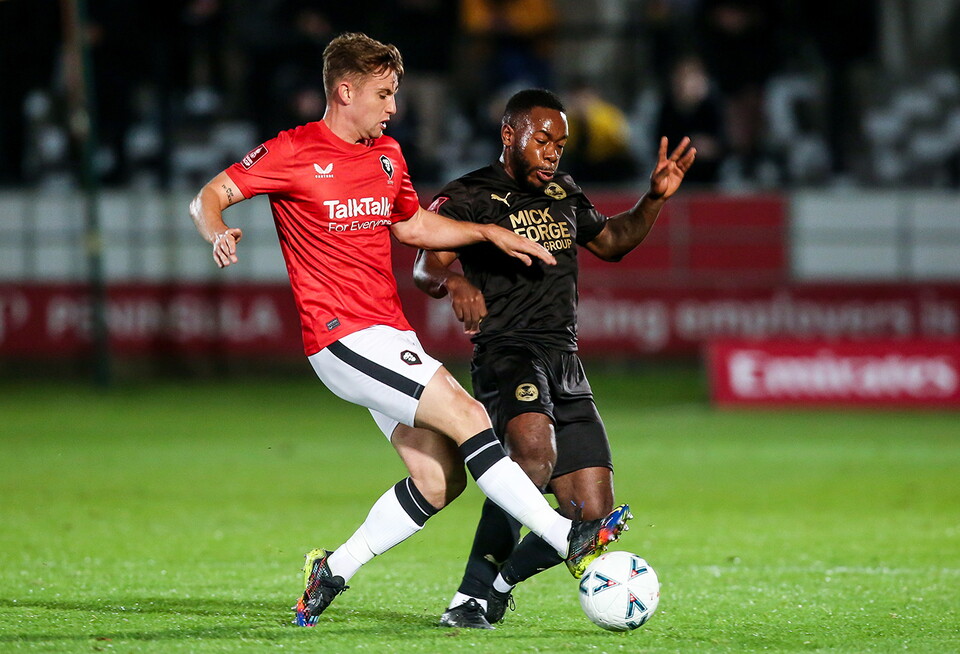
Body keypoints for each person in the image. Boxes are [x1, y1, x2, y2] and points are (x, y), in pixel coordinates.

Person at [187, 33, 632, 627]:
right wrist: (217, 229)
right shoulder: (293, 150)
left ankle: (333, 569)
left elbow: (414, 227)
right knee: (470, 416)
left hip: (388, 334)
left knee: (439, 477)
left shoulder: (387, 155)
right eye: (384, 94)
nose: (393, 107)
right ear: (346, 91)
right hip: (341, 334)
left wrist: (488, 233)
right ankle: (565, 536)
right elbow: (209, 196)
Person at [399, 88, 694, 629]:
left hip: (565, 359)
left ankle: (498, 587)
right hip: (508, 352)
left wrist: (653, 199)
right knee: (531, 458)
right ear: (509, 134)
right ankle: (469, 597)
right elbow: (426, 266)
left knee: (592, 515)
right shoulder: (468, 195)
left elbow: (612, 241)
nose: (553, 152)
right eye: (543, 139)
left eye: (561, 143)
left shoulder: (564, 191)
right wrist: (455, 282)